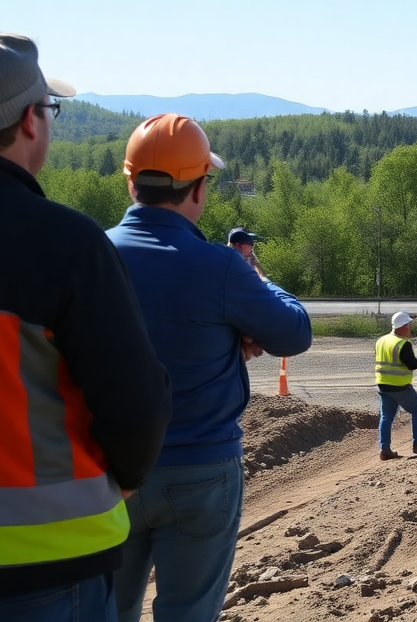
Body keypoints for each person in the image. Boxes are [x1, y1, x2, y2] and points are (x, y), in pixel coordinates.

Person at [0, 30, 171, 619]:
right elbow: (136, 406)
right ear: (31, 120)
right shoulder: (66, 242)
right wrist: (118, 485)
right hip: (42, 574)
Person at [106, 113, 313, 622]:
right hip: (200, 469)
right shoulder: (218, 267)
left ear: (131, 182)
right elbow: (293, 332)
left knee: (106, 611)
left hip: (105, 472)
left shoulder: (91, 253)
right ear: (198, 188)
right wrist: (254, 278)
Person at [376, 310, 417, 460]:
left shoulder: (381, 340)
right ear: (402, 326)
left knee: (386, 417)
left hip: (383, 385)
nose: (410, 328)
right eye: (408, 325)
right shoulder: (403, 344)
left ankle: (385, 449)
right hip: (400, 386)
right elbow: (411, 365)